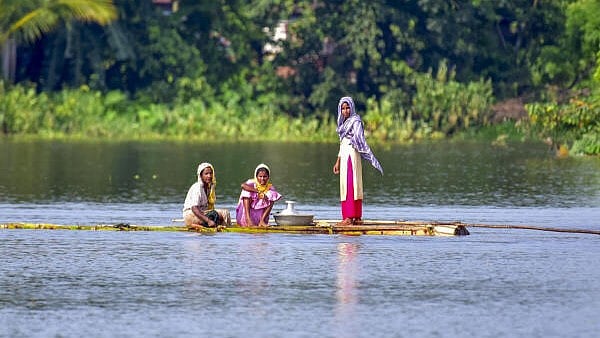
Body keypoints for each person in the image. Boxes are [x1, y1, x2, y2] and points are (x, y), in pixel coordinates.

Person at [332, 96, 383, 226]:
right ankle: (350, 216)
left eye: (347, 107)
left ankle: (352, 217)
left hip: (352, 155)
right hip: (344, 156)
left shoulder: (356, 121)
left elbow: (359, 138)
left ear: (352, 107)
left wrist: (355, 140)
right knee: (345, 186)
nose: (345, 111)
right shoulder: (342, 124)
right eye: (343, 108)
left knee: (352, 185)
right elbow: (342, 143)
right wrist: (337, 161)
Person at [182, 162, 231, 229]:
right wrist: (208, 221)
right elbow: (194, 208)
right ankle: (226, 229)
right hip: (191, 215)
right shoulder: (197, 187)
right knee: (221, 213)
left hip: (201, 214)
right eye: (206, 174)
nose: (209, 176)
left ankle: (222, 227)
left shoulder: (209, 188)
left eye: (211, 173)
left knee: (224, 213)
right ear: (201, 175)